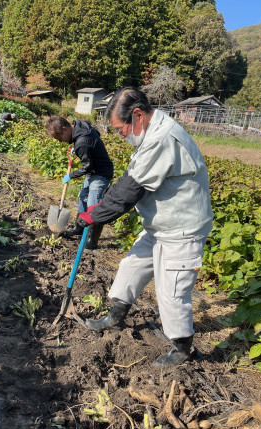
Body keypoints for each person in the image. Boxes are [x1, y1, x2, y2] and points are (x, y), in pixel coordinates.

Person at [76, 87, 213, 366]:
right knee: (131, 267)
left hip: (181, 229)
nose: (120, 134)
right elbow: (130, 179)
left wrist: (95, 215)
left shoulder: (162, 138)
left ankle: (182, 348)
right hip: (159, 224)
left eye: (119, 128)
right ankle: (115, 319)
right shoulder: (150, 133)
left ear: (137, 115)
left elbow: (130, 191)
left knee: (172, 291)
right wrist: (98, 208)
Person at [46, 117, 114, 250]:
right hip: (93, 171)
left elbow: (87, 166)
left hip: (101, 173)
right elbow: (96, 134)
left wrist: (70, 175)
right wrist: (78, 149)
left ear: (65, 129)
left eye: (59, 137)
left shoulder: (82, 141)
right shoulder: (79, 125)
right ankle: (79, 228)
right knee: (82, 197)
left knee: (94, 206)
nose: (60, 141)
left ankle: (92, 241)